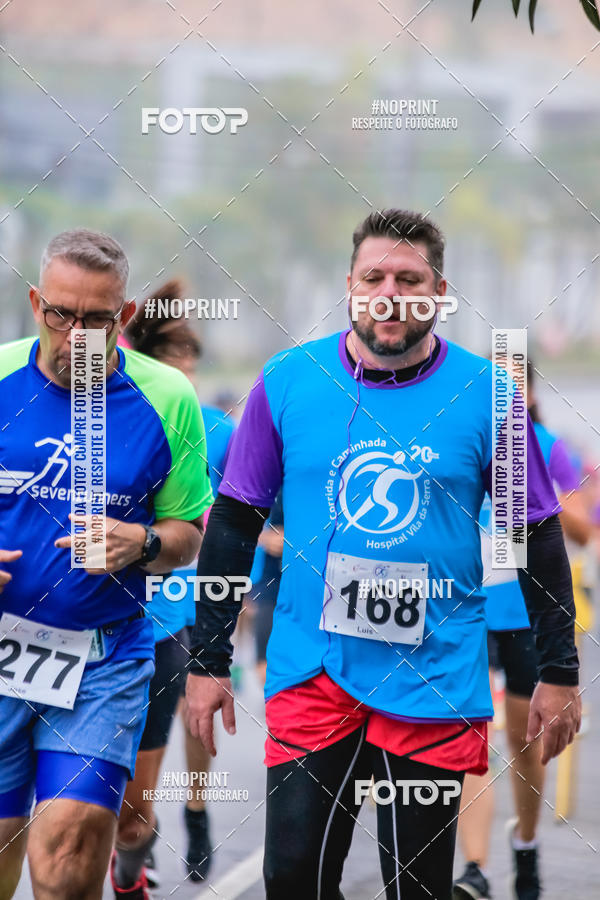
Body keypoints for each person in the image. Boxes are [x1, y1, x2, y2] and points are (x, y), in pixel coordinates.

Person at [183, 209, 581, 899]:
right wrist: (207, 661)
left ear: (439, 292)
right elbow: (233, 524)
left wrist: (560, 671)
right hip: (314, 669)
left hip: (432, 675)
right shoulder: (287, 380)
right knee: (292, 879)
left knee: (417, 887)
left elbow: (536, 537)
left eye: (408, 278)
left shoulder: (490, 394)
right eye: (374, 277)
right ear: (350, 286)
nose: (390, 293)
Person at [0, 230, 213, 900]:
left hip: (104, 660)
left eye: (96, 319)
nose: (76, 335)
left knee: (67, 849)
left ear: (123, 318)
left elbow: (189, 531)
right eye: (60, 314)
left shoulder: (168, 397)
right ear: (37, 303)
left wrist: (145, 545)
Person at [454, 361, 592, 900]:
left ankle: (527, 844)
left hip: (524, 615)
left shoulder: (548, 447)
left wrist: (533, 503)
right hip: (466, 611)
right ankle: (475, 868)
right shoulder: (461, 432)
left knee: (522, 739)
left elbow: (582, 527)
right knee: (470, 739)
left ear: (530, 395)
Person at [115, 281, 235, 891]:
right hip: (100, 618)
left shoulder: (215, 427)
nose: (187, 365)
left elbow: (247, 513)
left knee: (194, 721)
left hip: (175, 610)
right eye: (177, 352)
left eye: (193, 353)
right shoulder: (109, 410)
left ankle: (193, 808)